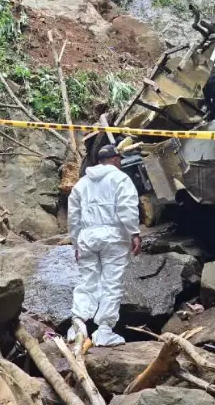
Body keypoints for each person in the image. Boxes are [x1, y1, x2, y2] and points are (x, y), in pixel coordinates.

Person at [67, 144, 142, 347]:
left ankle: (78, 325)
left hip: (87, 237)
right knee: (112, 283)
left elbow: (73, 217)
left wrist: (76, 244)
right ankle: (104, 331)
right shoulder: (120, 178)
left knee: (87, 281)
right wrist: (134, 233)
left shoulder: (81, 184)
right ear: (116, 159)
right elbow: (127, 207)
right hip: (114, 236)